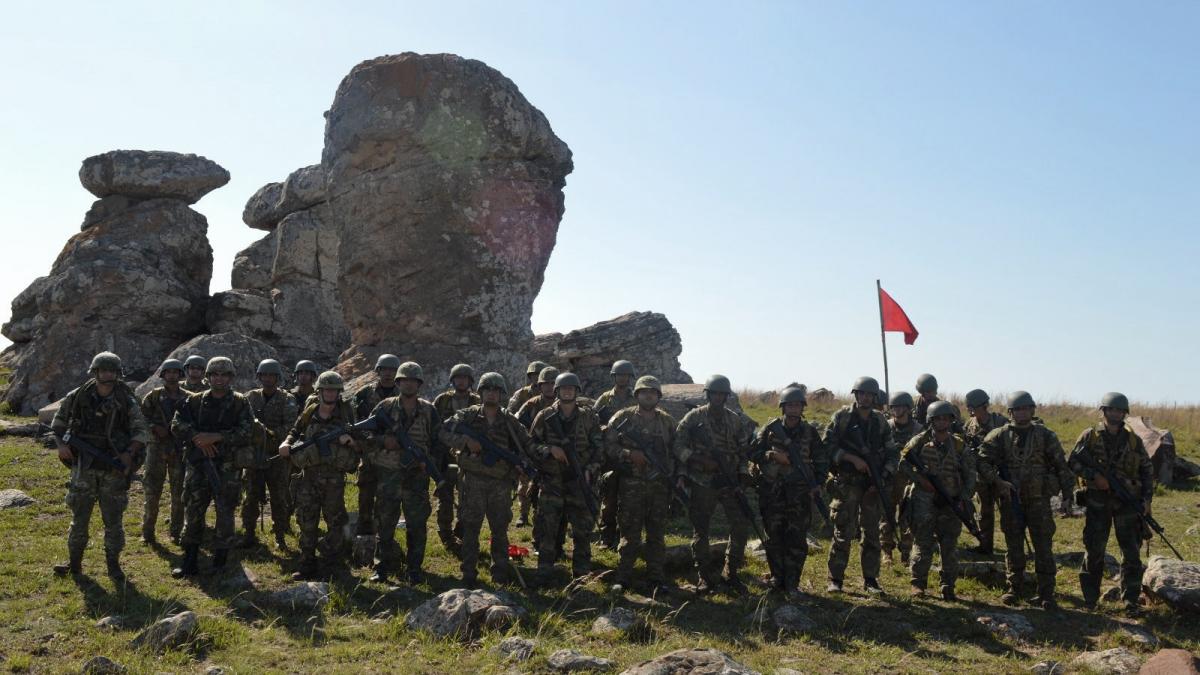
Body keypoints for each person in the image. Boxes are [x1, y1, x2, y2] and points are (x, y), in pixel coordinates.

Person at [51, 352, 150, 581]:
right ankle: (74, 565)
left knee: (113, 522)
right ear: (95, 372)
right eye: (103, 370)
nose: (107, 375)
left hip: (113, 469)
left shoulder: (126, 400)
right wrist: (61, 446)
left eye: (111, 371)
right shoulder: (77, 397)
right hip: (84, 467)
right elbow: (58, 423)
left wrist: (128, 454)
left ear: (117, 373)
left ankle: (113, 566)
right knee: (79, 520)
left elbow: (140, 431)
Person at [977, 391, 1075, 609]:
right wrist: (998, 482)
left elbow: (1061, 466)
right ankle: (1015, 588)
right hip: (1011, 500)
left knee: (1043, 546)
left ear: (1032, 410)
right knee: (1013, 546)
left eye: (1025, 409)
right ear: (1011, 412)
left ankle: (1046, 592)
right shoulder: (999, 435)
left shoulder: (1046, 435)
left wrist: (1068, 496)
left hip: (1039, 501)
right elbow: (982, 461)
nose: (1022, 413)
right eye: (1017, 409)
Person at [439, 372, 531, 586]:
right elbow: (443, 431)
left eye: (496, 391)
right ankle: (468, 574)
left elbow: (526, 444)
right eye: (487, 390)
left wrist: (524, 465)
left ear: (502, 395)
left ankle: (499, 574)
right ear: (480, 392)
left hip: (500, 483)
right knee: (470, 529)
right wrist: (465, 442)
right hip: (472, 481)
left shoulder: (509, 421)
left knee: (499, 530)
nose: (491, 394)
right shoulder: (468, 416)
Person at [1068, 392, 1154, 614]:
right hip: (1098, 501)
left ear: (1125, 414)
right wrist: (1094, 476)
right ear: (1103, 411)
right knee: (1095, 550)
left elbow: (1147, 471)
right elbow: (1073, 462)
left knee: (1132, 554)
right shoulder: (1090, 436)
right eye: (1111, 410)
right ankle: (1090, 599)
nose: (1115, 414)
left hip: (1127, 503)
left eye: (1119, 411)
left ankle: (1131, 601)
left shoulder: (1133, 440)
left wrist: (1147, 500)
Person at [171, 357, 254, 578]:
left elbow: (247, 432)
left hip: (227, 468)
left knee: (225, 513)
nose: (219, 379)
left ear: (230, 378)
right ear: (208, 378)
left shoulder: (240, 402)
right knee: (193, 510)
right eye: (214, 374)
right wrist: (198, 438)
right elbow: (177, 424)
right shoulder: (195, 402)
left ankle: (220, 562)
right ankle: (189, 562)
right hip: (198, 465)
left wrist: (216, 437)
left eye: (224, 375)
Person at [674, 374, 755, 594]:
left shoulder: (734, 420)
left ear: (726, 396)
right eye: (715, 393)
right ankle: (704, 576)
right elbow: (677, 446)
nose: (718, 397)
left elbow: (742, 451)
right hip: (702, 481)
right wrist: (699, 460)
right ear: (708, 394)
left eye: (722, 394)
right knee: (701, 529)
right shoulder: (693, 418)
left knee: (740, 525)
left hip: (729, 481)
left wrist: (741, 473)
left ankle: (732, 573)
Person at [278, 371, 361, 580]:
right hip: (309, 476)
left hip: (334, 478)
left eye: (334, 390)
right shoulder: (311, 410)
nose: (330, 394)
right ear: (320, 391)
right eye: (327, 390)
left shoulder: (346, 412)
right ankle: (307, 564)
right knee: (307, 521)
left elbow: (362, 442)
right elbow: (295, 431)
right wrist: (286, 443)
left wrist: (349, 440)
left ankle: (330, 563)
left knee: (336, 522)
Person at [367, 362, 442, 584]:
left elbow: (439, 443)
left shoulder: (429, 410)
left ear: (418, 384)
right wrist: (384, 441)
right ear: (398, 383)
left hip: (416, 478)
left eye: (413, 380)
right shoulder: (384, 408)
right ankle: (381, 567)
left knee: (417, 524)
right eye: (404, 380)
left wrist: (428, 464)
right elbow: (365, 436)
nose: (408, 384)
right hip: (389, 474)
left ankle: (414, 568)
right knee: (385, 523)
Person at [823, 376, 898, 595]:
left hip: (872, 485)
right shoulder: (842, 417)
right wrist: (849, 458)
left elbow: (892, 452)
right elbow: (827, 446)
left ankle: (871, 580)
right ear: (856, 394)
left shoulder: (880, 421)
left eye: (869, 394)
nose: (865, 398)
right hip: (847, 483)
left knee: (872, 532)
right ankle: (835, 579)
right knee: (843, 531)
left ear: (875, 397)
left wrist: (883, 476)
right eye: (862, 393)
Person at [750, 385, 827, 599]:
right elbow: (752, 452)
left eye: (797, 405)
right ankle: (777, 579)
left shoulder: (810, 432)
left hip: (800, 495)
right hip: (772, 493)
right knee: (774, 536)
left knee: (797, 539)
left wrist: (818, 484)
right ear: (783, 408)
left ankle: (792, 583)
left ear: (802, 408)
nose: (794, 409)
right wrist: (771, 456)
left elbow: (821, 460)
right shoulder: (770, 428)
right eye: (790, 405)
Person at [604, 375, 679, 594]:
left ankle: (656, 577)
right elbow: (608, 445)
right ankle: (624, 575)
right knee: (630, 533)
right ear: (637, 395)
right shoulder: (622, 418)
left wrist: (673, 476)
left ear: (658, 396)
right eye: (644, 392)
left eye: (653, 392)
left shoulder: (667, 421)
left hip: (658, 487)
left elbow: (676, 450)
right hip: (631, 486)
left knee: (656, 534)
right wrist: (629, 453)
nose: (649, 395)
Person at [528, 372, 604, 584]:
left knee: (581, 531)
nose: (568, 391)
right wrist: (550, 449)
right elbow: (530, 445)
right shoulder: (544, 416)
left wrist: (591, 468)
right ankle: (544, 572)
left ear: (577, 391)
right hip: (552, 482)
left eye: (571, 388)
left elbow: (599, 449)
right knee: (548, 530)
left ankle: (580, 576)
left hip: (580, 483)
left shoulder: (589, 417)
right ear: (557, 391)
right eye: (563, 388)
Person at [899, 400, 975, 600]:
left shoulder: (958, 445)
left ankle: (948, 585)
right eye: (938, 419)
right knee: (922, 542)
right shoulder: (919, 441)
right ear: (930, 420)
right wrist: (921, 480)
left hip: (950, 500)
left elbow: (970, 474)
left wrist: (963, 498)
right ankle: (918, 584)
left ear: (951, 421)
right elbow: (903, 463)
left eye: (946, 418)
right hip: (924, 499)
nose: (942, 422)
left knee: (949, 545)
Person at [240, 359, 300, 549]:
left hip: (277, 456)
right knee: (250, 496)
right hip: (254, 456)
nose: (267, 379)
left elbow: (291, 427)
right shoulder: (250, 397)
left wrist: (268, 434)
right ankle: (249, 533)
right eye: (264, 375)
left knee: (279, 497)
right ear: (259, 377)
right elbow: (242, 422)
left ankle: (280, 535)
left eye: (271, 375)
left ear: (277, 377)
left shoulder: (287, 399)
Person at [431, 363, 480, 556]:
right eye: (458, 378)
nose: (461, 381)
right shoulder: (442, 401)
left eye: (465, 378)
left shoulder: (477, 402)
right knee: (445, 498)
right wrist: (459, 442)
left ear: (470, 381)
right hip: (445, 458)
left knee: (468, 500)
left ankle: (463, 534)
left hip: (470, 460)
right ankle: (446, 536)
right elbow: (436, 429)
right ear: (452, 380)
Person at [140, 358, 188, 545]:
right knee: (152, 491)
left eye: (175, 372)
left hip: (178, 449)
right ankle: (148, 532)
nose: (172, 375)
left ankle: (176, 531)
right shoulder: (153, 396)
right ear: (163, 375)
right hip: (156, 448)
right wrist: (154, 427)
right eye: (169, 372)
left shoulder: (188, 397)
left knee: (179, 493)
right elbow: (140, 419)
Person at [962, 389, 1008, 555]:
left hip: (1000, 474)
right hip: (980, 477)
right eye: (969, 408)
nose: (972, 411)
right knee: (984, 512)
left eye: (974, 408)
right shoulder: (969, 425)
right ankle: (985, 546)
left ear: (985, 406)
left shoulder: (1000, 422)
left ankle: (1013, 545)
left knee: (1007, 512)